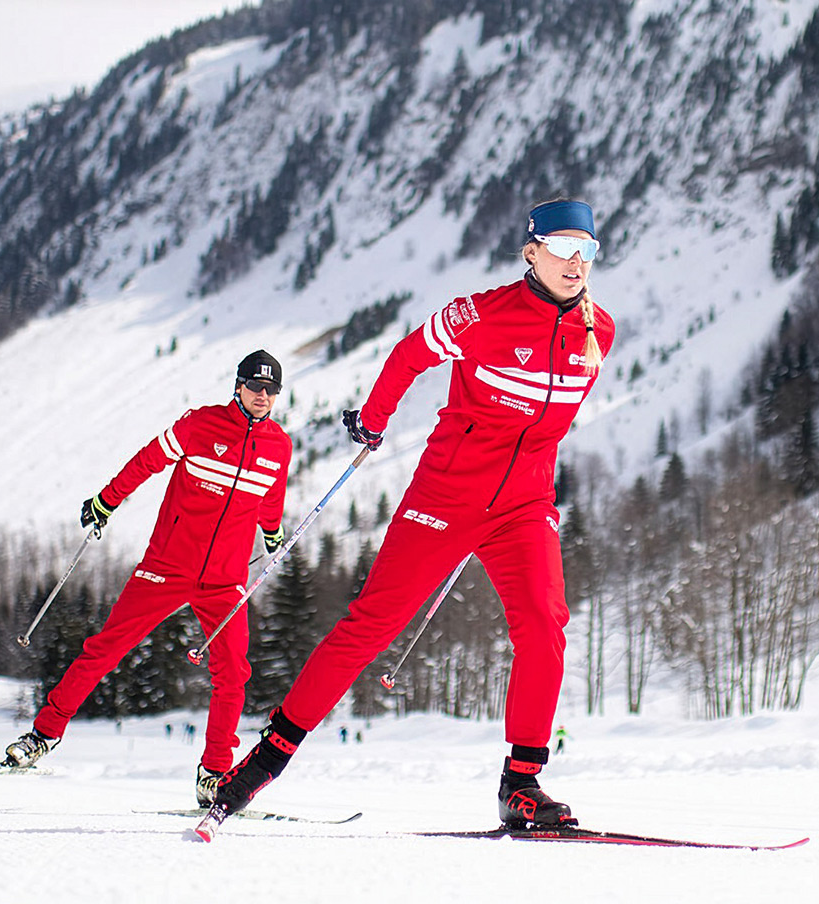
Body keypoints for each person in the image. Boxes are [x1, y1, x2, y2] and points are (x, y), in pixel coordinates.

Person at [208, 199, 614, 830]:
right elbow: (406, 357)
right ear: (530, 250)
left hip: (523, 506)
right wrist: (373, 420)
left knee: (544, 623)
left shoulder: (599, 333)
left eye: (586, 250)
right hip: (445, 498)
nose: (575, 262)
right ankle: (264, 761)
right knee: (369, 627)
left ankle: (522, 783)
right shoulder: (479, 315)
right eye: (563, 247)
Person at [2, 350, 293, 807]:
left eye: (271, 389)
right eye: (255, 386)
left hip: (225, 579)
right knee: (105, 648)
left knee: (233, 674)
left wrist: (272, 533)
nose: (263, 396)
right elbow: (147, 461)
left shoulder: (279, 446)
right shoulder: (200, 424)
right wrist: (106, 500)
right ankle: (43, 735)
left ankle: (214, 774)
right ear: (237, 386)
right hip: (168, 566)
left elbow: (270, 496)